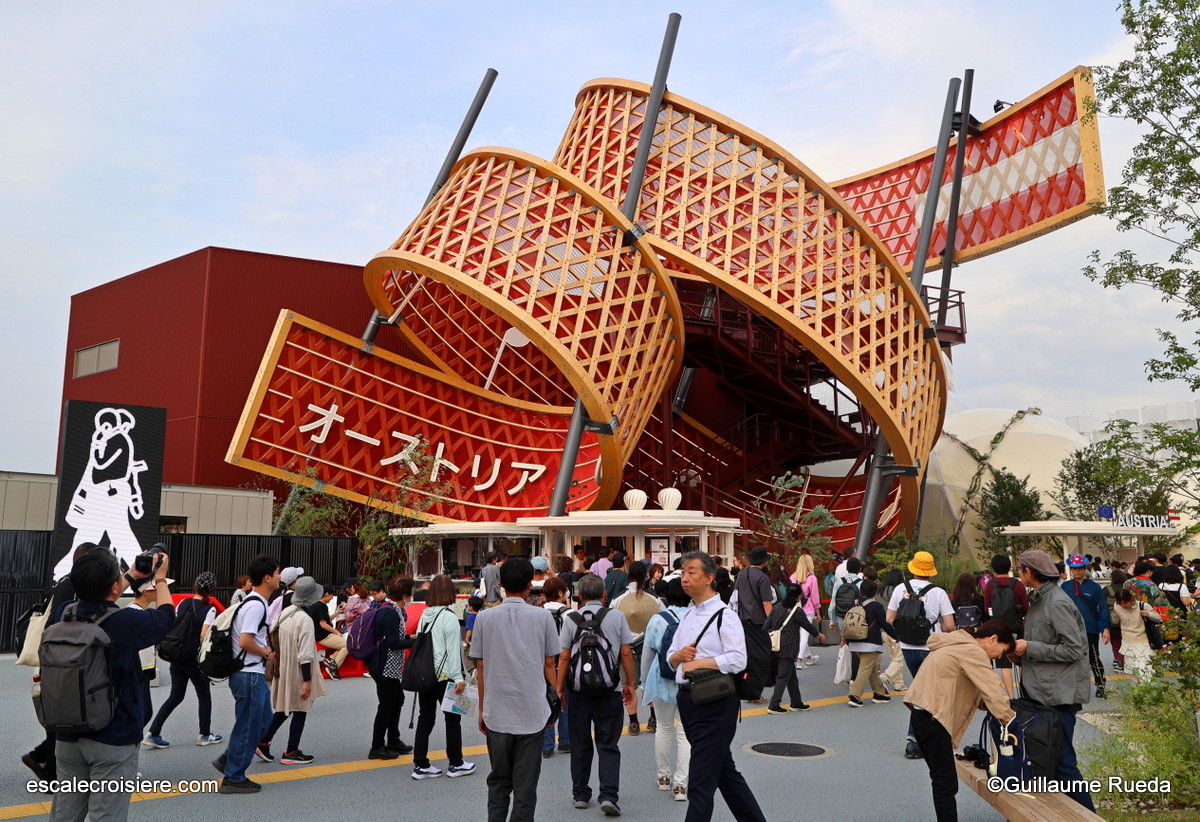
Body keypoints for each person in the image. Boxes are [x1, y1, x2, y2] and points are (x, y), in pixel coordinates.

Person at [48, 547, 174, 822]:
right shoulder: (124, 621)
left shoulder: (64, 613)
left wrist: (129, 575)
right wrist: (160, 578)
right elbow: (166, 617)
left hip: (68, 733)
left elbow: (97, 598)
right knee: (107, 816)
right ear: (116, 586)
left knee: (64, 814)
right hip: (113, 737)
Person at [665, 552, 767, 822]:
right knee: (724, 772)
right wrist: (679, 658)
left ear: (709, 578)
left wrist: (700, 663)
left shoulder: (726, 616)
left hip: (716, 703)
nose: (684, 578)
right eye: (683, 573)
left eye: (691, 572)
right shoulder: (688, 614)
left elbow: (737, 659)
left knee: (701, 781)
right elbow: (672, 655)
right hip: (689, 700)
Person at [470, 558, 561, 822]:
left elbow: (481, 666)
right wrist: (553, 701)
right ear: (529, 584)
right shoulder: (543, 617)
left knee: (498, 781)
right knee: (526, 784)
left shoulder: (485, 618)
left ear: (500, 584)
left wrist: (482, 710)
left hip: (497, 711)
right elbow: (549, 663)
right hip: (532, 710)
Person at [904, 619, 1017, 822]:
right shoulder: (973, 651)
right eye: (1000, 652)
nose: (998, 657)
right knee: (946, 783)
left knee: (941, 780)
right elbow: (992, 689)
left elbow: (972, 690)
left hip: (921, 715)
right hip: (934, 718)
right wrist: (1011, 721)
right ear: (993, 639)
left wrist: (990, 706)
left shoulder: (956, 643)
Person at [1010, 549, 1094, 811]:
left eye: (1020, 568)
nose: (1018, 572)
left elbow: (1074, 648)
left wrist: (1029, 648)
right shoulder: (1040, 599)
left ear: (1029, 572)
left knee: (1063, 763)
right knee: (1047, 762)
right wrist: (1021, 654)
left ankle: (1089, 815)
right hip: (1044, 691)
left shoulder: (1055, 601)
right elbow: (1046, 642)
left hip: (1057, 695)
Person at [558, 573, 636, 817]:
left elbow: (563, 656)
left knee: (580, 743)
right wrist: (629, 683)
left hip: (578, 691)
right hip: (609, 690)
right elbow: (625, 652)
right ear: (604, 595)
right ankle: (609, 795)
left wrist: (560, 689)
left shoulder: (569, 618)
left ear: (579, 596)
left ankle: (581, 794)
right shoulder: (616, 616)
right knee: (608, 744)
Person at [213, 554, 279, 794]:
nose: (280, 577)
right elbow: (245, 641)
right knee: (249, 726)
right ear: (267, 577)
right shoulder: (255, 604)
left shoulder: (255, 602)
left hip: (251, 674)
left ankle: (230, 759)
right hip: (249, 673)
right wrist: (266, 652)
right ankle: (234, 776)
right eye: (278, 573)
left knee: (262, 720)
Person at [886, 550, 955, 760]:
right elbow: (950, 625)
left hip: (907, 647)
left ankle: (916, 740)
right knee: (930, 693)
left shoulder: (900, 589)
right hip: (931, 648)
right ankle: (918, 741)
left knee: (921, 690)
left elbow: (889, 618)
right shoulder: (938, 592)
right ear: (930, 570)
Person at [144, 571, 222, 748]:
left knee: (176, 695)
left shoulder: (183, 603)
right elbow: (204, 635)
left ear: (195, 586)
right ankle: (204, 734)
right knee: (204, 696)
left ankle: (153, 732)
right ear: (212, 590)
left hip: (177, 656)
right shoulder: (209, 608)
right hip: (194, 658)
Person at [411, 574, 475, 780]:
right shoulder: (448, 617)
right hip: (445, 675)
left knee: (425, 718)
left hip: (425, 674)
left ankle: (420, 764)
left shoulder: (425, 615)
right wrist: (459, 678)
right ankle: (455, 763)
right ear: (450, 593)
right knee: (452, 719)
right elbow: (452, 651)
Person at [258, 576, 326, 765]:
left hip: (283, 666)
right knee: (300, 708)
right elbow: (306, 653)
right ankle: (291, 751)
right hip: (297, 668)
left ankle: (263, 741)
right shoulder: (305, 620)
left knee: (285, 706)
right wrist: (307, 681)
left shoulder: (286, 612)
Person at [641, 578, 691, 801]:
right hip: (689, 680)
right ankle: (681, 785)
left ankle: (663, 778)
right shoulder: (695, 618)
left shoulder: (658, 619)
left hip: (661, 680)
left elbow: (648, 654)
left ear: (667, 597)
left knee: (663, 728)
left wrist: (643, 683)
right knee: (684, 734)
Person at [612, 560, 664, 735]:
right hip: (649, 645)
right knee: (650, 682)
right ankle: (653, 718)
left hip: (626, 647)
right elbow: (663, 619)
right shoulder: (654, 599)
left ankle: (633, 722)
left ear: (629, 576)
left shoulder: (618, 599)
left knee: (628, 684)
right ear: (645, 576)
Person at [367, 576, 415, 759]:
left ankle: (393, 740)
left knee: (397, 699)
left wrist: (412, 637)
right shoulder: (391, 613)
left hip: (387, 665)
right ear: (405, 595)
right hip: (384, 666)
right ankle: (377, 746)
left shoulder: (392, 610)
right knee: (387, 704)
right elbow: (394, 643)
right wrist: (415, 642)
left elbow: (393, 637)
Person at [766, 582, 823, 713]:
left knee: (791, 676)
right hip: (789, 647)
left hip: (776, 645)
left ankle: (796, 702)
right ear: (798, 597)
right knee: (783, 676)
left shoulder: (777, 607)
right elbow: (807, 626)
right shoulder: (797, 611)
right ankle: (774, 704)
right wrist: (818, 634)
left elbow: (767, 624)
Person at [1062, 553, 1111, 699]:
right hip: (1070, 629)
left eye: (1080, 568)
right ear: (1070, 569)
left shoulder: (1095, 587)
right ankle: (1072, 688)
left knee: (1094, 657)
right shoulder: (1065, 586)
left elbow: (1103, 607)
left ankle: (1100, 685)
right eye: (1074, 568)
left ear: (1085, 568)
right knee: (1070, 658)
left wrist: (1106, 627)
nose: (1077, 571)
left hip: (1090, 628)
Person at [731, 545, 774, 703]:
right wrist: (772, 622)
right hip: (759, 622)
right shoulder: (762, 578)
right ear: (764, 562)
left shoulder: (742, 574)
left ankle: (746, 689)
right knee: (762, 658)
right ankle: (755, 693)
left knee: (748, 656)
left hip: (742, 621)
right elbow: (766, 603)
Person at [982, 553, 1028, 698]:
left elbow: (987, 608)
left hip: (999, 629)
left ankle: (1010, 697)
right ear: (1009, 567)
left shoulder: (990, 586)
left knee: (1005, 666)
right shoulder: (1018, 584)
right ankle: (1024, 694)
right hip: (1018, 627)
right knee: (1021, 663)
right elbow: (1026, 608)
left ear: (993, 568)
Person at [846, 579, 896, 707]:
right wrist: (896, 636)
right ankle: (854, 695)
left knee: (871, 668)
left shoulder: (853, 604)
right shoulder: (876, 606)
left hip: (854, 640)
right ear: (875, 593)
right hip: (870, 643)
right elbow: (885, 624)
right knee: (865, 668)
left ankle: (878, 693)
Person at [541, 577, 571, 758]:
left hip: (542, 665)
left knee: (545, 702)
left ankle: (546, 745)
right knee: (565, 702)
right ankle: (566, 742)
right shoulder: (570, 615)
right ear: (561, 593)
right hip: (563, 665)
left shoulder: (537, 613)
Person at [1111, 588, 1162, 681]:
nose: (1123, 605)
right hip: (1127, 642)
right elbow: (1115, 620)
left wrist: (1148, 614)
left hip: (1143, 642)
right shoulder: (1117, 606)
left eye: (1125, 603)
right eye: (1120, 603)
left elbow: (1159, 618)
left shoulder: (1143, 606)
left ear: (1131, 599)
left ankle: (1148, 693)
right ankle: (1138, 694)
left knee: (1146, 672)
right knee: (1133, 674)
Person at [789, 553, 821, 669]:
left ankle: (808, 656)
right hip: (807, 610)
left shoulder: (793, 577)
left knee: (800, 634)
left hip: (794, 609)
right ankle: (799, 660)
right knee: (804, 634)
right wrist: (818, 612)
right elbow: (815, 597)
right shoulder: (812, 578)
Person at [309, 585, 347, 679]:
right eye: (331, 596)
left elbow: (326, 619)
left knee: (344, 644)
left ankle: (331, 660)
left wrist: (337, 613)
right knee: (347, 645)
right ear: (326, 594)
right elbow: (323, 624)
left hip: (321, 634)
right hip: (324, 636)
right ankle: (334, 665)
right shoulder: (320, 606)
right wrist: (336, 632)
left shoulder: (315, 605)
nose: (331, 598)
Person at [1105, 569, 1129, 673]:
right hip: (1128, 619)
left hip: (1113, 620)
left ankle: (1118, 661)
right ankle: (1127, 660)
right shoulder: (1128, 588)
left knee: (1115, 642)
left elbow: (1102, 605)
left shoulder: (1107, 589)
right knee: (1127, 641)